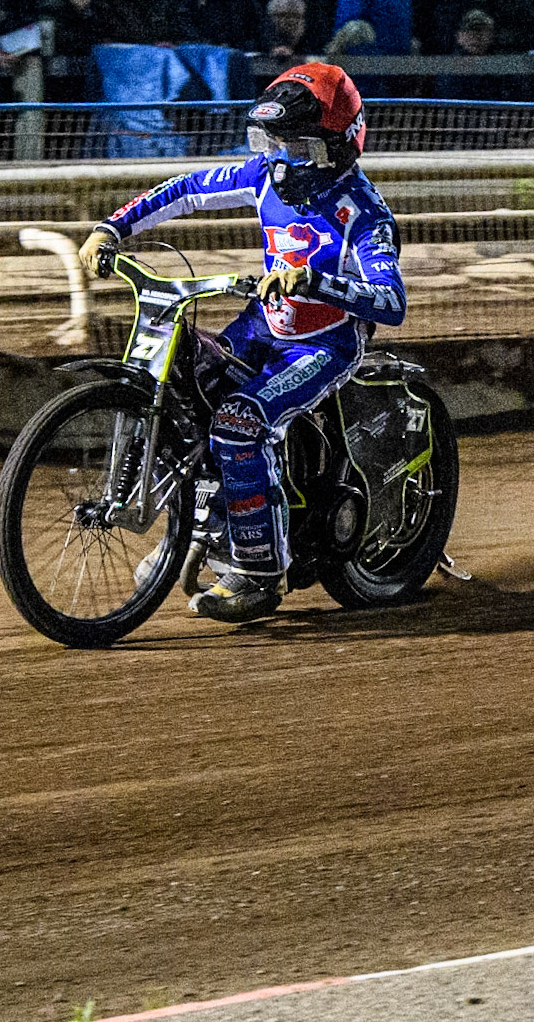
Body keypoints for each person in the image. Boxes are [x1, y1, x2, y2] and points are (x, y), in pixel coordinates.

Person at [76, 65, 405, 623]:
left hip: (323, 346)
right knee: (189, 391)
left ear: (339, 145)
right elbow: (185, 190)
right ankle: (204, 532)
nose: (280, 158)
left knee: (237, 422)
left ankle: (258, 571)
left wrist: (314, 281)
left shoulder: (363, 213)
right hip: (262, 325)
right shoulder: (261, 175)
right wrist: (113, 228)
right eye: (271, 142)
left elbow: (391, 301)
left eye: (296, 146)